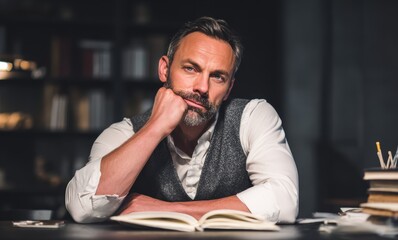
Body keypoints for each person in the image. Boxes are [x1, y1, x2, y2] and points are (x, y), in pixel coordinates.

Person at [65, 16, 298, 223]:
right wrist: (155, 127)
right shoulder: (124, 132)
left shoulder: (253, 116)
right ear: (165, 70)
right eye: (190, 69)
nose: (202, 87)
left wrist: (168, 210)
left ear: (228, 89)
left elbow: (284, 199)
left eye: (217, 77)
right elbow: (81, 206)